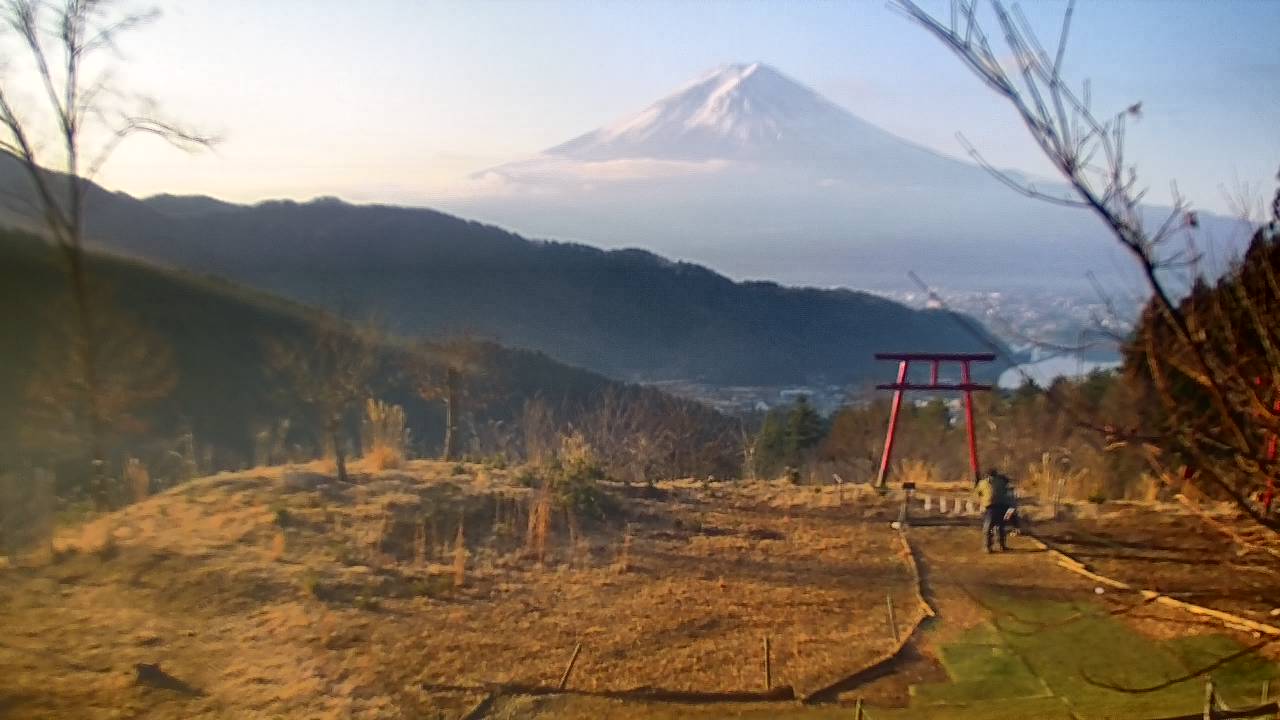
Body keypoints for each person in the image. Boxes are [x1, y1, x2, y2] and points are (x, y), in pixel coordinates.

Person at [974, 468, 1016, 553]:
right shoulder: (1001, 481)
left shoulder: (983, 483)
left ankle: (988, 546)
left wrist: (977, 485)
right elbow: (1007, 484)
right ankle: (999, 545)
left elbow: (977, 493)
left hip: (992, 506)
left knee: (990, 527)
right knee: (999, 527)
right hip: (999, 505)